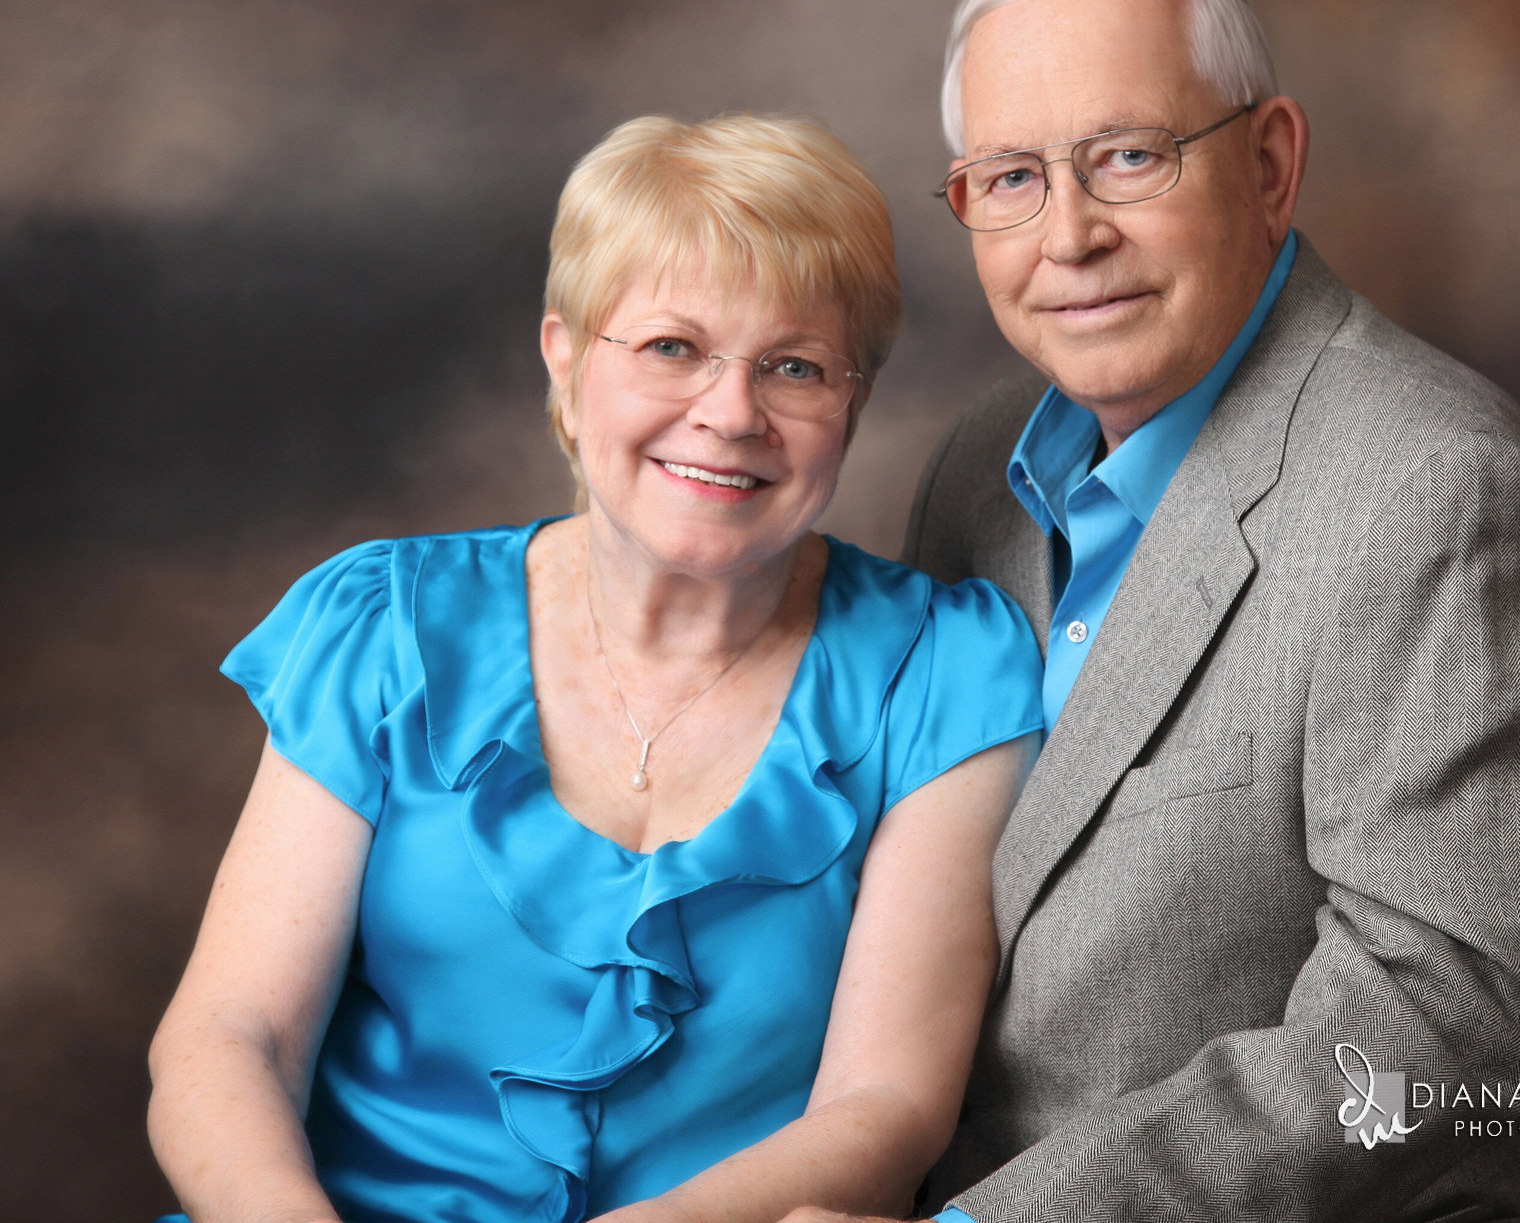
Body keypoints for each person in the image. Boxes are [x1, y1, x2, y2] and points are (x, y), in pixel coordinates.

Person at [796, 0, 1520, 1223]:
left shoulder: (1438, 495)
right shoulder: (980, 472)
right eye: (1012, 178)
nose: (1068, 235)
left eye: (1130, 156)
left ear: (1271, 166)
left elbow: (1444, 1037)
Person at [146, 113, 1044, 1223]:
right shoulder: (384, 625)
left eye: (795, 367)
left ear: (850, 405)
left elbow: (885, 1106)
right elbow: (233, 1035)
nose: (729, 413)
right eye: (672, 347)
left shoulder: (945, 670)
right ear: (565, 360)